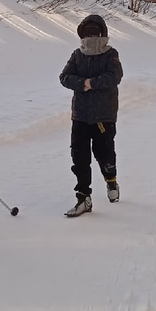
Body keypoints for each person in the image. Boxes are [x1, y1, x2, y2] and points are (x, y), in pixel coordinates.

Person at [59, 13, 123, 217]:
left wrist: (90, 83)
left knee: (104, 154)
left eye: (94, 34)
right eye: (87, 35)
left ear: (102, 35)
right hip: (80, 115)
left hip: (103, 116)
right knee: (79, 156)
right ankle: (83, 197)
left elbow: (114, 76)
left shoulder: (111, 54)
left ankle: (111, 180)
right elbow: (64, 77)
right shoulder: (77, 55)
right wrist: (82, 84)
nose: (90, 39)